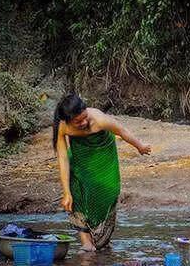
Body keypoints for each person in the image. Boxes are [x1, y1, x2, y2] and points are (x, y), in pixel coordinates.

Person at [52, 93, 151, 252]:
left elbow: (122, 131)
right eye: (78, 121)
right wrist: (66, 193)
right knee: (77, 192)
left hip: (103, 154)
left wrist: (140, 146)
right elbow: (63, 158)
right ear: (68, 121)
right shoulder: (63, 127)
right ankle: (86, 242)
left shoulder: (99, 119)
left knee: (108, 192)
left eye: (85, 117)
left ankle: (100, 240)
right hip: (80, 158)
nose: (84, 122)